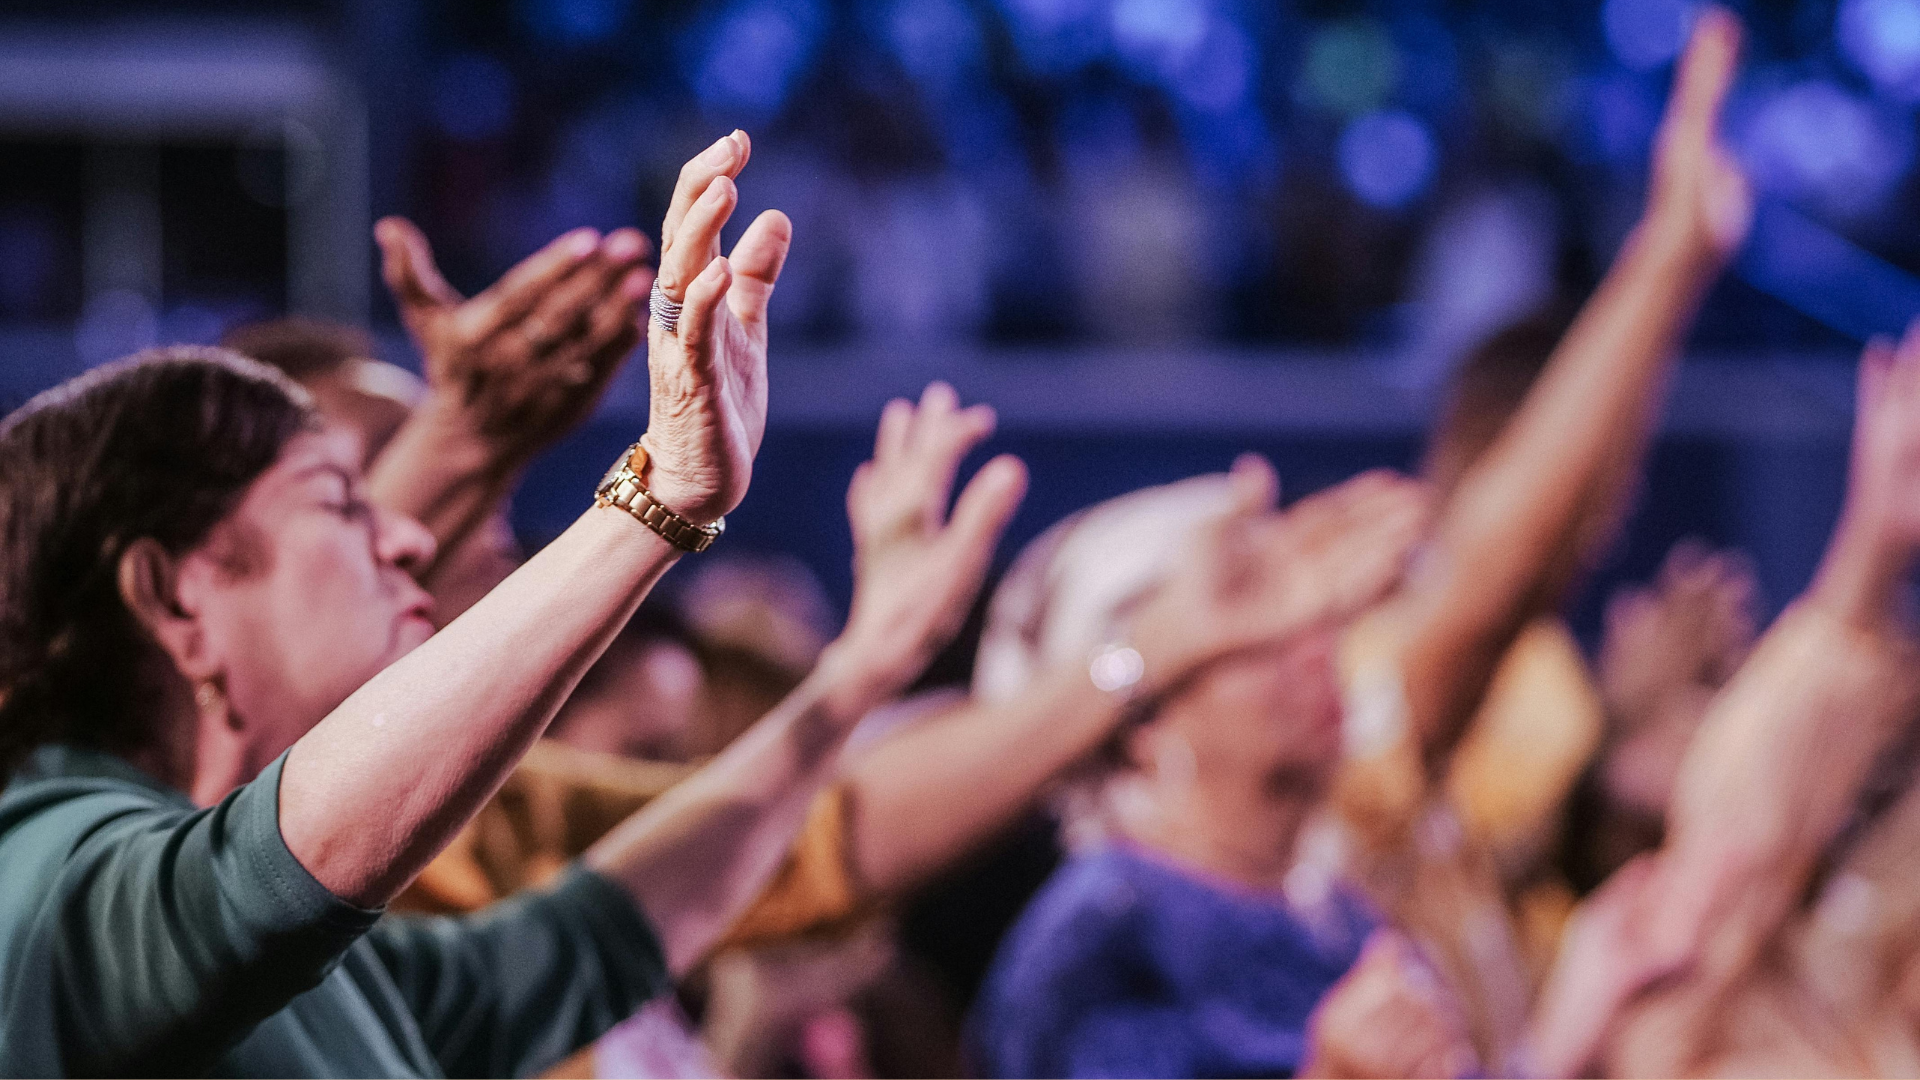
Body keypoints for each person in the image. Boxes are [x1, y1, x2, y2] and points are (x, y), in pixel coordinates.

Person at [0, 130, 1020, 1077]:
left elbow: (595, 938)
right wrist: (658, 496)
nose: (405, 532)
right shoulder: (39, 865)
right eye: (339, 501)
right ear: (173, 598)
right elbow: (265, 869)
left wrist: (861, 669)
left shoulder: (335, 961)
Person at [1324, 7, 1754, 1062]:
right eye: (1589, 463)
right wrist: (1666, 257)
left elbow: (1524, 879)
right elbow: (1495, 577)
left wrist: (1618, 748)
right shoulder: (1364, 651)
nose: (1606, 504)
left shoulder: (1546, 663)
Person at [967, 465, 1432, 1078]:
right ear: (1141, 728)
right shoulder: (1102, 938)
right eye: (1256, 640)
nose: (1316, 648)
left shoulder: (1338, 915)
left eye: (1312, 617)